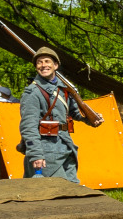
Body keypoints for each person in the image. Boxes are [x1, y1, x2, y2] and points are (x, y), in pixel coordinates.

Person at [19, 46, 102, 180]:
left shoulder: (63, 89)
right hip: (45, 151)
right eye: (39, 62)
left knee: (72, 189)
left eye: (47, 61)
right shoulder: (32, 92)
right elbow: (28, 127)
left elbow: (75, 113)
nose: (43, 65)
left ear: (55, 65)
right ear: (36, 67)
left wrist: (91, 119)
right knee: (52, 191)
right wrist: (36, 154)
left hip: (66, 146)